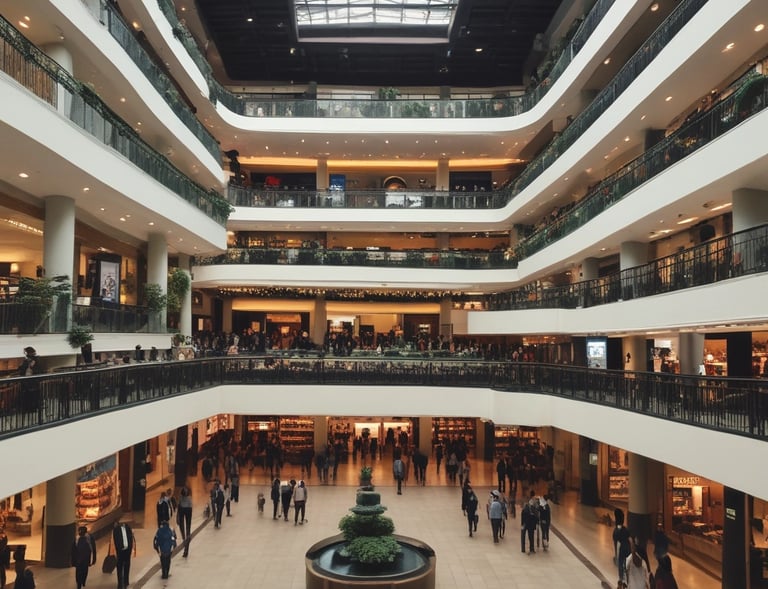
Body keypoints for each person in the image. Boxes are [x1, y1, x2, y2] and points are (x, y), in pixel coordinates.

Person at [112, 520, 135, 589]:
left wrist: (130, 549)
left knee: (127, 566)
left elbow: (130, 538)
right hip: (120, 552)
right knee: (119, 567)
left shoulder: (128, 528)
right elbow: (115, 540)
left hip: (127, 551)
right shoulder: (116, 530)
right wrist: (117, 550)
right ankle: (120, 583)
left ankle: (126, 581)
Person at [613, 508, 632, 587]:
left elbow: (616, 544)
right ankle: (626, 581)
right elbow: (630, 539)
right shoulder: (625, 530)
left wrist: (616, 555)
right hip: (627, 549)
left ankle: (622, 581)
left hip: (621, 550)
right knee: (626, 566)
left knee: (621, 565)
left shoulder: (616, 531)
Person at [176, 486, 193, 557]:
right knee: (184, 530)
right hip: (185, 511)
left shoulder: (187, 499)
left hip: (185, 511)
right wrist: (178, 517)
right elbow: (179, 509)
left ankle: (186, 546)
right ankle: (185, 541)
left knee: (186, 530)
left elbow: (179, 509)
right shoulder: (185, 499)